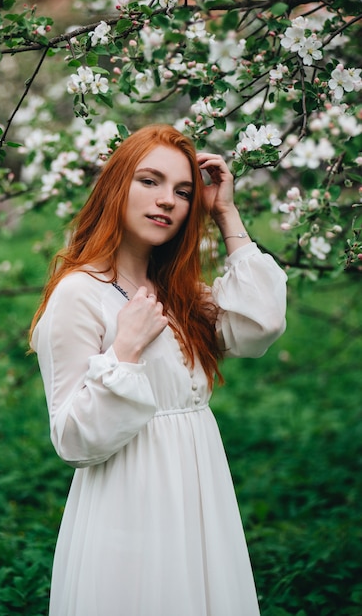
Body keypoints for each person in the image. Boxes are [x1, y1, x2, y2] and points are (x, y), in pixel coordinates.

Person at [30, 124, 287, 616]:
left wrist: (226, 213)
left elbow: (262, 323)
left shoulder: (181, 291)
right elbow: (71, 439)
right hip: (130, 508)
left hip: (200, 502)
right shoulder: (78, 294)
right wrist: (124, 349)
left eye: (183, 191)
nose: (167, 200)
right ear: (116, 186)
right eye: (149, 181)